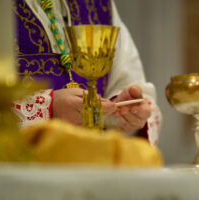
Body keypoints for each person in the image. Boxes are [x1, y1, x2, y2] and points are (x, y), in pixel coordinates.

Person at [13, 0, 161, 145]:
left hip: (92, 162)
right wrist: (47, 108)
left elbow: (133, 85)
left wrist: (120, 116)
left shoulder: (101, 4)